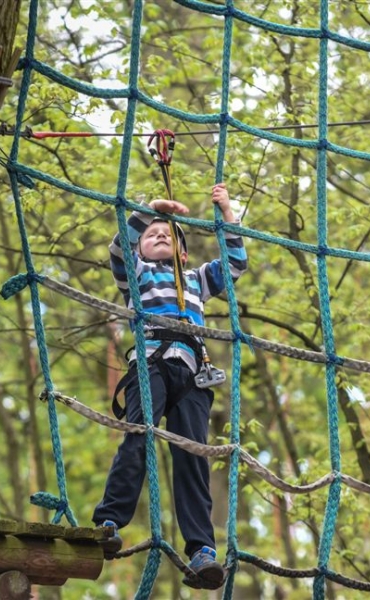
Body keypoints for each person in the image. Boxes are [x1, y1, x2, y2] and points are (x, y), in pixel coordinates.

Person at [93, 182, 247, 590]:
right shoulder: (138, 276)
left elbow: (235, 264)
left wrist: (227, 213)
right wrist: (149, 209)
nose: (160, 234)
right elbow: (118, 250)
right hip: (151, 365)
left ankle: (202, 551)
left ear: (182, 252)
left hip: (193, 375)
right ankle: (108, 521)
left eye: (169, 233)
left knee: (193, 456)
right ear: (142, 248)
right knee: (139, 438)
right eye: (152, 234)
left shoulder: (196, 280)